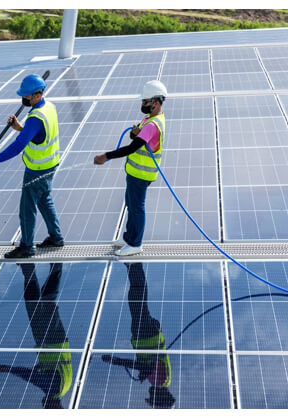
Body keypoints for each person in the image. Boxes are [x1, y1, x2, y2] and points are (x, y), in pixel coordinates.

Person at [0, 74, 65, 259]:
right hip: (51, 164)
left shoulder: (35, 117)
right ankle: (56, 237)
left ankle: (26, 246)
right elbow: (39, 134)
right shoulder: (49, 107)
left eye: (27, 96)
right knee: (45, 200)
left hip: (37, 169)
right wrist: (20, 127)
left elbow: (18, 146)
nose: (24, 99)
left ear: (37, 95)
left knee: (27, 208)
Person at [93, 80, 167, 256]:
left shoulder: (152, 125)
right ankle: (128, 237)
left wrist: (106, 156)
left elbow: (131, 148)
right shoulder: (151, 119)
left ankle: (135, 243)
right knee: (131, 204)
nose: (142, 104)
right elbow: (136, 139)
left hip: (142, 174)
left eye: (145, 101)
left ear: (156, 102)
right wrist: (134, 133)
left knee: (136, 207)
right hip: (135, 172)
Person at [0, 263, 72, 408]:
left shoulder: (66, 387)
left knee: (48, 300)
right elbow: (31, 377)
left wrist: (39, 367)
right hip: (48, 340)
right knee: (32, 304)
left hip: (60, 340)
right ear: (54, 407)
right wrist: (7, 369)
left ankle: (57, 264)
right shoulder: (53, 390)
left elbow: (57, 366)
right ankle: (28, 268)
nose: (43, 406)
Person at [101, 263, 175, 408]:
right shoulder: (159, 382)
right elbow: (144, 366)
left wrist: (144, 372)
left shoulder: (163, 381)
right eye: (153, 397)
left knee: (137, 301)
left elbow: (149, 365)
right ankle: (134, 265)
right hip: (146, 336)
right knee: (137, 299)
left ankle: (132, 266)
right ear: (162, 395)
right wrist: (115, 361)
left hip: (148, 335)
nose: (150, 394)